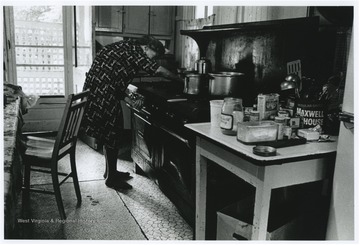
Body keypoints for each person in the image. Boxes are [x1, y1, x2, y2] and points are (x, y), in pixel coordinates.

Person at [81, 35, 182, 190]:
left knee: (111, 133)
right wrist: (181, 80)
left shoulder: (126, 47)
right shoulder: (136, 50)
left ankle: (110, 172)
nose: (151, 60)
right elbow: (158, 71)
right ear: (147, 47)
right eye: (152, 57)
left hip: (98, 91)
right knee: (113, 133)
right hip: (102, 94)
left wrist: (127, 96)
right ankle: (111, 178)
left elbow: (116, 76)